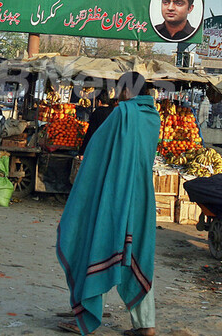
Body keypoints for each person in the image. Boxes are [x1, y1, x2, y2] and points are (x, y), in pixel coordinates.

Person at [57, 72, 160, 336]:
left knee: (99, 245)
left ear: (125, 90)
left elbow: (97, 151)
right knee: (137, 256)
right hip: (141, 196)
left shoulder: (122, 113)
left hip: (115, 193)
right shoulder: (153, 117)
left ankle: (88, 313)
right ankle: (146, 325)